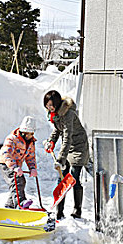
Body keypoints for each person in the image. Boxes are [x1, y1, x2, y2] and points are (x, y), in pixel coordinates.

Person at [43, 90, 89, 220]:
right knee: (61, 178)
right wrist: (51, 141)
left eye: (51, 104)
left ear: (57, 103)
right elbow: (57, 131)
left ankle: (77, 209)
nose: (49, 107)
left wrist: (61, 159)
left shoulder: (68, 114)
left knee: (73, 178)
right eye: (47, 105)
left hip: (79, 146)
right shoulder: (55, 114)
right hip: (68, 147)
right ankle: (59, 210)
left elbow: (67, 137)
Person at [0, 116, 38, 209]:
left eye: (32, 133)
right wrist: (14, 167)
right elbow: (6, 154)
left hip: (16, 165)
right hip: (5, 163)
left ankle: (10, 205)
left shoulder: (31, 142)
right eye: (28, 134)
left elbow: (30, 157)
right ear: (23, 132)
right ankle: (20, 203)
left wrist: (32, 168)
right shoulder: (12, 139)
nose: (30, 136)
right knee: (17, 181)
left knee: (20, 181)